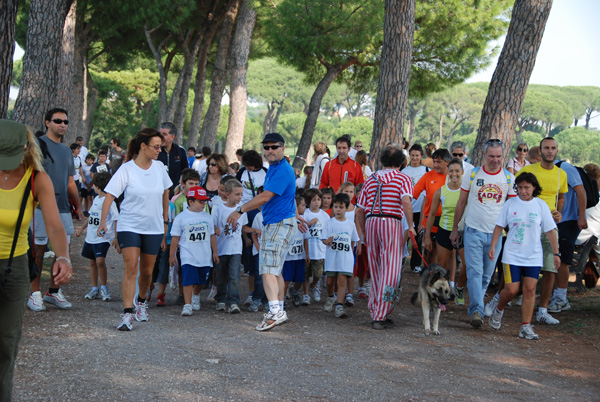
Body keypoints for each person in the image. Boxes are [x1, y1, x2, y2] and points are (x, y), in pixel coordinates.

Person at [0, 120, 71, 401]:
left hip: (14, 268)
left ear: (26, 148)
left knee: (6, 344)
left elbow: (54, 226)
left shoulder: (36, 178)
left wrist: (63, 256)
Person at [98, 128, 172, 331]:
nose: (160, 150)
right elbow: (110, 195)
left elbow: (166, 193)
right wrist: (103, 221)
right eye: (156, 146)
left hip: (154, 227)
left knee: (147, 272)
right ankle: (127, 314)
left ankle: (141, 302)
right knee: (131, 267)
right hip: (129, 225)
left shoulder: (159, 168)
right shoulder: (126, 169)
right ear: (143, 146)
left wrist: (165, 221)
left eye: (161, 146)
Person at [226, 133, 299, 331]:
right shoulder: (275, 168)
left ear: (283, 148)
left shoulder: (282, 169)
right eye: (266, 147)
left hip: (278, 223)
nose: (270, 150)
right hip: (279, 222)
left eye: (274, 147)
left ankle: (275, 312)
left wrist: (239, 210)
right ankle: (279, 309)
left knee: (267, 269)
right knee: (275, 270)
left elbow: (266, 197)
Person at [449, 139, 516, 329]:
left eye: (499, 156)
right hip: (473, 231)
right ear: (484, 155)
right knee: (474, 272)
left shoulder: (509, 178)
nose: (495, 160)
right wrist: (455, 229)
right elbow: (461, 202)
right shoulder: (472, 174)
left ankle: (477, 304)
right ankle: (476, 310)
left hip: (496, 235)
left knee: (487, 275)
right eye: (492, 156)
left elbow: (511, 208)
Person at [487, 173, 560, 340]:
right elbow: (499, 226)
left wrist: (556, 253)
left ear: (534, 188)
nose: (523, 191)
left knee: (530, 289)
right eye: (519, 187)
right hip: (512, 255)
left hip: (533, 256)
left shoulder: (541, 205)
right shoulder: (510, 204)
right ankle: (499, 309)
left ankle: (525, 327)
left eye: (526, 187)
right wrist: (493, 246)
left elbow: (550, 230)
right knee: (511, 290)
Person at [28, 108, 83, 312]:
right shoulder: (38, 146)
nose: (62, 124)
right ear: (47, 123)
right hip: (40, 207)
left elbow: (70, 182)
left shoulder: (68, 151)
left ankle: (53, 291)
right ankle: (34, 293)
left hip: (62, 206)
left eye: (65, 122)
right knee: (38, 250)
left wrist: (77, 206)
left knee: (62, 251)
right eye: (58, 120)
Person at [356, 146, 415, 329]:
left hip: (372, 222)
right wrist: (411, 226)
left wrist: (363, 232)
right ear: (401, 162)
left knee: (375, 268)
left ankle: (376, 308)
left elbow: (359, 209)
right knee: (391, 269)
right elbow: (406, 202)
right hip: (391, 222)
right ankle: (381, 313)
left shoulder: (371, 178)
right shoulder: (403, 178)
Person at [516, 137, 569, 325]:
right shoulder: (529, 170)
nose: (549, 151)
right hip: (528, 225)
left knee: (550, 267)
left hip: (549, 227)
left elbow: (560, 197)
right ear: (540, 151)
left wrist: (558, 213)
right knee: (519, 263)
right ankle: (510, 296)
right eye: (546, 148)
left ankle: (543, 310)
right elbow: (516, 192)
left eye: (553, 148)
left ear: (556, 151)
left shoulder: (561, 174)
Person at [169, 186, 218, 316]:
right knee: (188, 279)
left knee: (202, 280)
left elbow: (212, 235)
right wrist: (172, 255)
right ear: (191, 202)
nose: (203, 204)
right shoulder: (181, 218)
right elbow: (175, 238)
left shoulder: (207, 217)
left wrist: (215, 252)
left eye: (205, 201)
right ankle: (187, 304)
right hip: (187, 255)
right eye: (200, 201)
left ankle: (195, 295)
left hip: (204, 256)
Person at [548, 157, 588, 315]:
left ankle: (561, 298)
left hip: (570, 219)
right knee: (556, 258)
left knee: (563, 259)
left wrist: (582, 216)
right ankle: (556, 295)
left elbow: (580, 190)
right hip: (559, 220)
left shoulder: (566, 168)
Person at [423, 159, 467, 301]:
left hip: (462, 232)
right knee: (442, 266)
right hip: (444, 231)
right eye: (451, 171)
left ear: (462, 173)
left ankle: (458, 287)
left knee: (467, 265)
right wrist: (427, 236)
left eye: (457, 171)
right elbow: (431, 215)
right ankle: (442, 294)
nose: (454, 174)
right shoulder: (440, 191)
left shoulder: (467, 191)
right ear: (448, 172)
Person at [74, 172, 118, 301]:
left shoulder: (110, 201)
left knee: (100, 261)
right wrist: (81, 228)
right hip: (91, 236)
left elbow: (116, 219)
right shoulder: (96, 200)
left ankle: (104, 287)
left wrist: (115, 237)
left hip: (103, 237)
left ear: (97, 186)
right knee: (92, 262)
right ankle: (94, 288)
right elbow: (91, 217)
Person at [213, 179, 252, 313]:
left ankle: (233, 301)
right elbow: (214, 225)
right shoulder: (219, 208)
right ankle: (221, 300)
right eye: (237, 194)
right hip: (221, 248)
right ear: (228, 194)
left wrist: (253, 232)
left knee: (235, 276)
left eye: (241, 194)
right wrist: (215, 229)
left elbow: (243, 227)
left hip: (235, 249)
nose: (240, 197)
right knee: (221, 275)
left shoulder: (242, 210)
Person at [236, 150, 268, 308]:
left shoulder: (266, 173)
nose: (247, 168)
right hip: (244, 209)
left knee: (257, 257)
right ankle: (252, 292)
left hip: (259, 209)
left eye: (249, 165)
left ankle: (262, 294)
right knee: (249, 254)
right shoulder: (241, 172)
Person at [321, 193, 360, 318]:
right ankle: (331, 297)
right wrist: (328, 242)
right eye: (336, 207)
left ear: (346, 208)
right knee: (330, 282)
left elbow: (353, 240)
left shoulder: (350, 224)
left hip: (345, 258)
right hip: (332, 257)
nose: (338, 210)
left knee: (342, 280)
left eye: (341, 207)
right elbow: (323, 238)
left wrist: (352, 251)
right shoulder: (329, 223)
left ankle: (339, 306)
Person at [412, 149, 451, 269]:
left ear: (447, 162)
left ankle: (445, 279)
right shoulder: (428, 176)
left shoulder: (452, 177)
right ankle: (428, 277)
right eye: (434, 162)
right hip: (431, 220)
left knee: (445, 254)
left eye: (439, 162)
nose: (436, 165)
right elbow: (414, 192)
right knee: (430, 252)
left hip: (447, 220)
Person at [402, 144, 429, 271]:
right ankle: (400, 260)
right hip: (406, 210)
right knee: (404, 236)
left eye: (417, 155)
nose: (414, 158)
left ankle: (416, 264)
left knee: (418, 236)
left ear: (421, 156)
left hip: (419, 210)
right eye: (412, 155)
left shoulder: (426, 171)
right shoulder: (404, 171)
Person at [302, 188, 329, 304]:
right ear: (309, 201)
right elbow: (301, 230)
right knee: (306, 274)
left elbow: (328, 231)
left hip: (320, 250)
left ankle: (315, 286)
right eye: (314, 200)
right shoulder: (305, 214)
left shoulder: (324, 215)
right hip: (308, 250)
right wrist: (309, 223)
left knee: (318, 273)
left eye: (318, 199)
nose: (317, 202)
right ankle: (306, 294)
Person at [283, 195, 309, 307]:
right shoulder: (287, 221)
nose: (305, 207)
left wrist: (307, 254)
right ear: (295, 207)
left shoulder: (303, 221)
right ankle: (282, 298)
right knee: (286, 279)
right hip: (288, 257)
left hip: (299, 256)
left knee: (300, 279)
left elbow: (305, 239)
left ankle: (294, 291)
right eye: (303, 205)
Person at [157, 121, 188, 197]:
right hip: (158, 194)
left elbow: (185, 173)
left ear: (173, 137)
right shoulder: (155, 152)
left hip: (175, 195)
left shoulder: (180, 151)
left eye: (164, 134)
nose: (161, 137)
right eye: (160, 134)